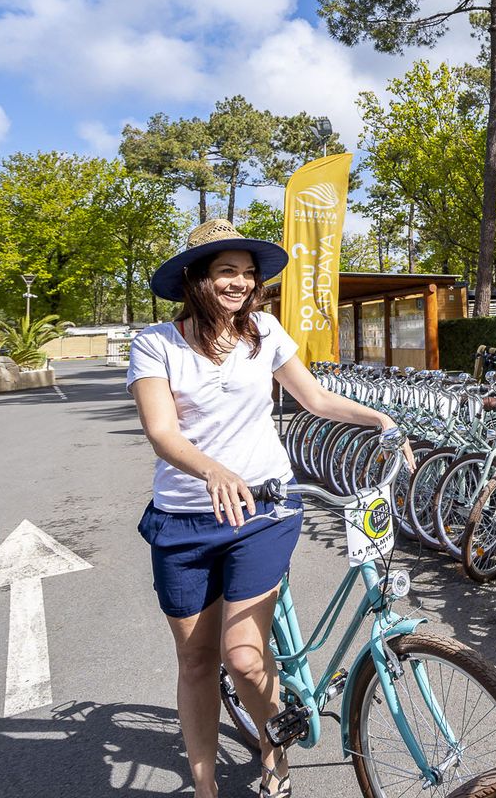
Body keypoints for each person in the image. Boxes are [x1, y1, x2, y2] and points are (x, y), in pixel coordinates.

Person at [128, 219, 409, 798]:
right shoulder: (156, 344)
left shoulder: (265, 332)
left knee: (244, 658)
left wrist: (380, 420)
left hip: (264, 510)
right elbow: (161, 432)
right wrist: (211, 469)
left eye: (247, 271)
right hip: (183, 518)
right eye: (225, 270)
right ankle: (205, 789)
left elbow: (315, 397)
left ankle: (272, 748)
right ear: (196, 279)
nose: (239, 281)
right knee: (197, 662)